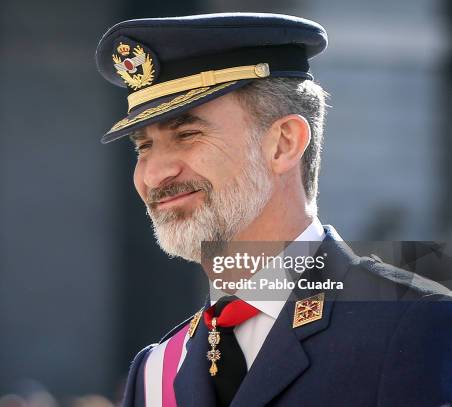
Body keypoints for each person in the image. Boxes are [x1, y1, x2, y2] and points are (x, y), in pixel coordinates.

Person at [95, 13, 452, 407]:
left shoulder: (416, 325)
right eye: (143, 147)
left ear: (284, 143)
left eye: (187, 134)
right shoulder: (156, 371)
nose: (156, 173)